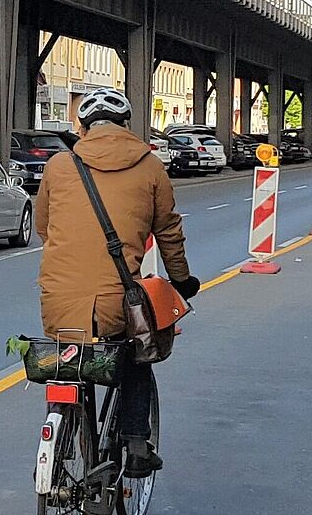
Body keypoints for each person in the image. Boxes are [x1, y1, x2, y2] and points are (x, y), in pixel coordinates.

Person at [35, 87, 199, 478]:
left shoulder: (60, 165)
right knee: (138, 354)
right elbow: (168, 232)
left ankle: (63, 431)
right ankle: (137, 443)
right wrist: (181, 280)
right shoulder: (150, 165)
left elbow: (43, 228)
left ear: (84, 128)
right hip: (114, 305)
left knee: (70, 360)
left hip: (57, 303)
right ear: (127, 125)